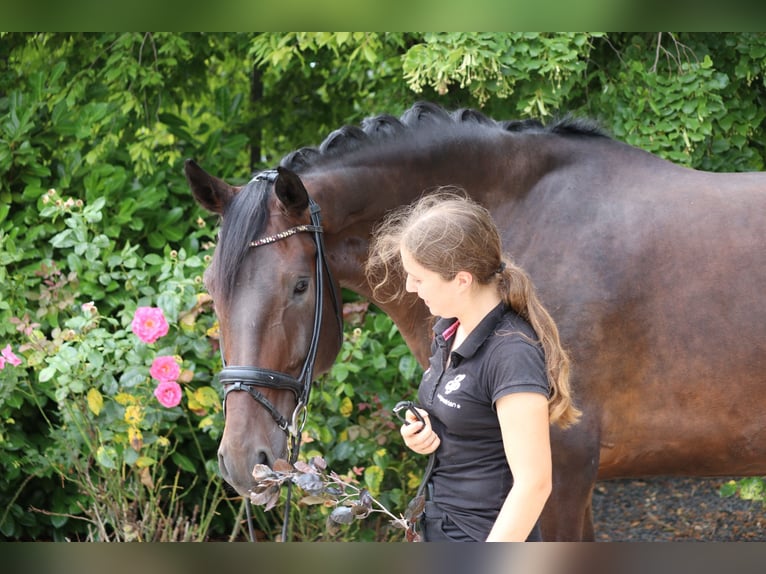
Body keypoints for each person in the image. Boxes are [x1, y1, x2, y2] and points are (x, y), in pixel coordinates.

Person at [365, 189, 581, 542]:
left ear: (462, 280)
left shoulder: (512, 354)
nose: (410, 286)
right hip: (439, 525)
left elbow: (534, 483)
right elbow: (468, 413)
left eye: (418, 278)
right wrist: (422, 431)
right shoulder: (450, 329)